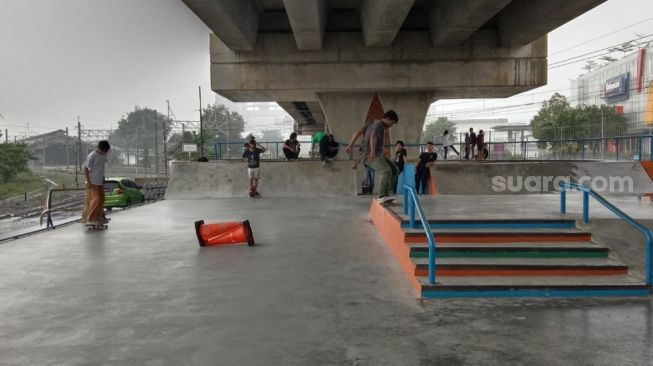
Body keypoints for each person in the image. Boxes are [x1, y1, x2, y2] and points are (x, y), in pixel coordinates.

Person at [357, 110, 400, 203]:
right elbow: (373, 136)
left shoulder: (380, 125)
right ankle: (382, 196)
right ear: (387, 119)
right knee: (386, 170)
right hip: (370, 155)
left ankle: (386, 194)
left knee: (395, 170)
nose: (391, 125)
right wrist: (372, 152)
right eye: (392, 123)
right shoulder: (379, 124)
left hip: (377, 154)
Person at [83, 140, 111, 224]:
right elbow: (85, 168)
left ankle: (99, 216)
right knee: (96, 199)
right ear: (101, 148)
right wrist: (88, 181)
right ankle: (91, 218)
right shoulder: (92, 155)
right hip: (93, 181)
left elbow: (101, 167)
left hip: (100, 180)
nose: (105, 152)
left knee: (102, 199)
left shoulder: (104, 155)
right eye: (104, 149)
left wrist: (103, 177)